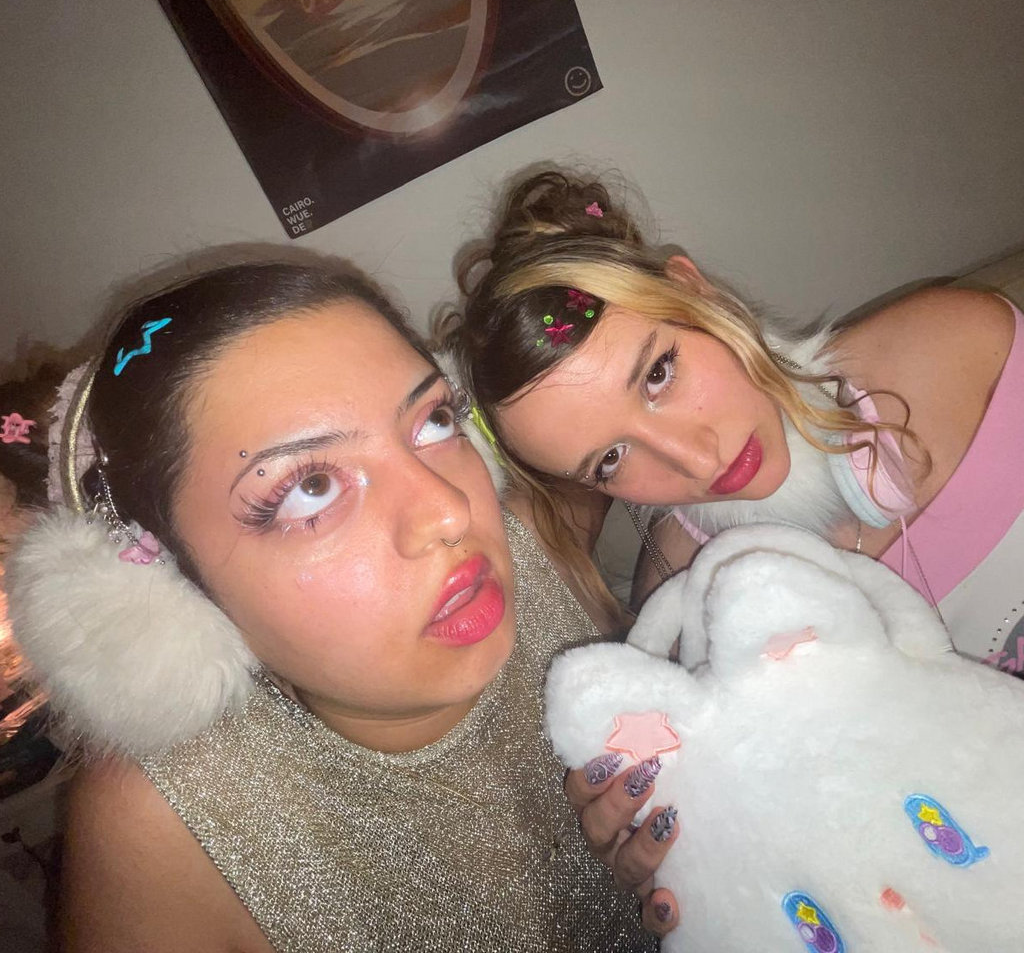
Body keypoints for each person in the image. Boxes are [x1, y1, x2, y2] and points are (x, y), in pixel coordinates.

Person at [2, 245, 666, 952]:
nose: (449, 511)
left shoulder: (540, 539)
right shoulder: (165, 830)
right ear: (172, 597)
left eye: (435, 422)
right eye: (310, 488)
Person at [440, 167, 1023, 909]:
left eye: (659, 373)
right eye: (611, 459)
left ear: (695, 291)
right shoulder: (693, 608)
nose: (694, 459)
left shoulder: (957, 346)